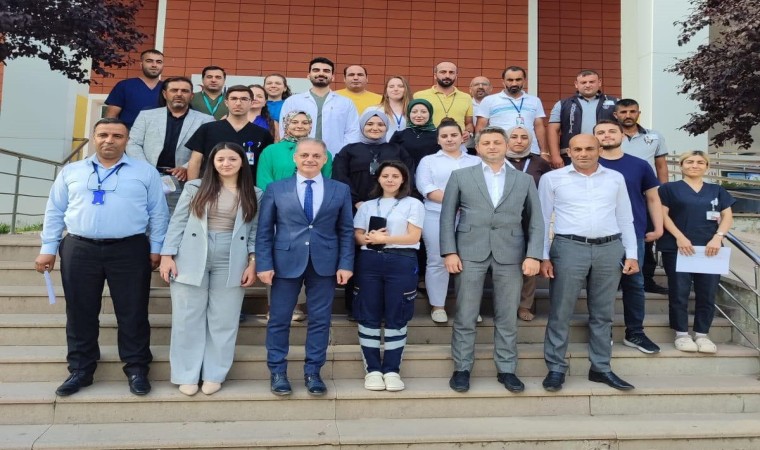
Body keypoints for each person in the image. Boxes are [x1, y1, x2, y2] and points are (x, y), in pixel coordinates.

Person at [35, 118, 169, 397]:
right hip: (79, 249)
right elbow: (55, 210)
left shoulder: (145, 172)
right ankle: (81, 370)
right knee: (80, 312)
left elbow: (158, 212)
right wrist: (48, 247)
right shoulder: (71, 171)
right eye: (103, 134)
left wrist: (156, 247)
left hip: (129, 249)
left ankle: (136, 368)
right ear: (94, 137)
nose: (110, 140)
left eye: (117, 136)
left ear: (126, 140)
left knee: (133, 311)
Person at [440, 126, 544, 393]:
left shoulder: (524, 180)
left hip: (511, 253)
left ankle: (507, 369)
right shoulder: (461, 176)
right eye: (486, 143)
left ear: (506, 145)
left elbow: (535, 220)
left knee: (507, 315)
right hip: (469, 252)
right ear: (477, 147)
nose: (492, 147)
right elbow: (447, 216)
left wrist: (534, 254)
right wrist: (449, 251)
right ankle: (462, 368)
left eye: (497, 142)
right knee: (465, 314)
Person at [159, 142, 262, 396]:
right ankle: (186, 374)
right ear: (212, 163)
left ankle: (214, 373)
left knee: (224, 319)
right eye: (220, 159)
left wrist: (252, 262)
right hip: (191, 253)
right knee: (187, 317)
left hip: (232, 256)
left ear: (242, 162)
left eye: (232, 159)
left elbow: (255, 232)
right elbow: (178, 221)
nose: (226, 164)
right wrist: (167, 255)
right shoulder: (195, 187)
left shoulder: (254, 193)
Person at [539, 133, 638, 392]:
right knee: (561, 311)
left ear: (599, 150)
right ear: (569, 152)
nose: (583, 154)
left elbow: (625, 217)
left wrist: (632, 253)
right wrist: (544, 256)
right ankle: (556, 368)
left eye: (589, 149)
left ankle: (601, 368)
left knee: (603, 314)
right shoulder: (552, 179)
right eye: (578, 149)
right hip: (568, 248)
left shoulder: (615, 178)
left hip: (610, 248)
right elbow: (542, 219)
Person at [256, 138, 354, 397]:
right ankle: (278, 372)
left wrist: (346, 263)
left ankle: (313, 372)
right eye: (305, 155)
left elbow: (345, 230)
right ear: (295, 158)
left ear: (325, 159)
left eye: (316, 156)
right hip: (284, 263)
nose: (310, 160)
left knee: (320, 320)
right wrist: (264, 263)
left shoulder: (340, 189)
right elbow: (264, 230)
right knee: (279, 319)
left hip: (325, 263)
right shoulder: (276, 189)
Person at [353, 161, 425, 391]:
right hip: (369, 261)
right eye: (385, 175)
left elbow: (414, 237)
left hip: (401, 260)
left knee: (397, 313)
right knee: (368, 314)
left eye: (395, 176)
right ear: (378, 178)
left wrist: (385, 239)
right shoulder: (367, 206)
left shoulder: (413, 203)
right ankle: (373, 370)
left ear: (403, 179)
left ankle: (392, 370)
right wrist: (368, 238)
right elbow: (357, 234)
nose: (390, 180)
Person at [595, 120, 664, 354]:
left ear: (622, 135)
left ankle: (635, 332)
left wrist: (658, 228)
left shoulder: (640, 165)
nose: (606, 135)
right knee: (600, 286)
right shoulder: (589, 164)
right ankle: (602, 332)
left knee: (634, 284)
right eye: (601, 132)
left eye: (611, 131)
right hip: (599, 235)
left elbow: (653, 198)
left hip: (633, 234)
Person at [257, 110, 330, 321]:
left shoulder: (323, 152)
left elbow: (326, 182)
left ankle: (297, 306)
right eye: (294, 122)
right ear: (286, 124)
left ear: (311, 126)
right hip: (279, 212)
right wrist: (279, 205)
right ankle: (274, 306)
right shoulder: (271, 151)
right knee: (279, 257)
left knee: (305, 255)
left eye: (305, 122)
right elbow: (264, 180)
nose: (299, 125)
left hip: (311, 215)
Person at [658, 151, 734, 354]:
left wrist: (718, 237)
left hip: (710, 249)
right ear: (681, 165)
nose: (695, 165)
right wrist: (679, 236)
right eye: (690, 161)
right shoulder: (669, 189)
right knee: (679, 292)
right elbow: (663, 215)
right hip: (678, 248)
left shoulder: (717, 190)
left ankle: (702, 334)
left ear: (707, 167)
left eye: (700, 162)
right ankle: (681, 334)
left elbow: (727, 216)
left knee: (707, 293)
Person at [415, 119, 480, 322]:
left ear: (462, 137)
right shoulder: (428, 161)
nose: (449, 139)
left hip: (470, 217)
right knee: (437, 260)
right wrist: (456, 201)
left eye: (453, 135)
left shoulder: (475, 161)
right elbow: (426, 188)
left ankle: (469, 309)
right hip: (436, 214)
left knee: (470, 262)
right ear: (438, 140)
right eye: (444, 136)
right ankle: (438, 306)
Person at [126, 76, 214, 211]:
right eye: (174, 90)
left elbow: (209, 150)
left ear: (191, 96)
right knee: (144, 217)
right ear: (164, 94)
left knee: (177, 220)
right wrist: (147, 169)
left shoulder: (206, 120)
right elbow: (133, 144)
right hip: (148, 177)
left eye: (184, 91)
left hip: (183, 180)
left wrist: (187, 167)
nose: (179, 94)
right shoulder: (146, 116)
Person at [615, 98, 671, 294]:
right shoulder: (611, 136)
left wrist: (664, 194)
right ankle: (616, 280)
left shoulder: (654, 136)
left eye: (632, 111)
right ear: (616, 115)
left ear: (639, 113)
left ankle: (647, 279)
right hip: (615, 195)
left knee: (646, 239)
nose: (628, 115)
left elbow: (661, 166)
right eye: (623, 112)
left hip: (645, 194)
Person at [501, 125, 552, 322]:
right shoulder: (497, 160)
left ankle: (524, 305)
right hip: (504, 218)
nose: (519, 141)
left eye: (524, 137)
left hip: (531, 217)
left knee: (529, 260)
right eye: (514, 136)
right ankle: (505, 304)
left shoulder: (540, 163)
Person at [186, 85, 274, 184]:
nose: (238, 103)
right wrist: (192, 188)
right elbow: (195, 161)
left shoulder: (262, 134)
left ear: (251, 102)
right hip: (211, 188)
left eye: (244, 99)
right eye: (233, 99)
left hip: (247, 188)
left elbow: (267, 166)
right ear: (226, 102)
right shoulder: (207, 129)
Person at [332, 110, 415, 209]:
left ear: (386, 127)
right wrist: (355, 201)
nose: (375, 128)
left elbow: (408, 176)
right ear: (362, 126)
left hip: (392, 206)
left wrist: (396, 199)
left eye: (380, 124)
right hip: (355, 207)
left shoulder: (397, 150)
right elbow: (340, 177)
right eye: (370, 124)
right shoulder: (349, 150)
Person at [279, 57, 361, 156]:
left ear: (333, 77)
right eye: (316, 70)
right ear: (308, 75)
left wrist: (343, 155)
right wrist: (292, 153)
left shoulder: (346, 103)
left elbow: (353, 132)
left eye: (326, 71)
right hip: (299, 156)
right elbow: (285, 129)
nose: (321, 73)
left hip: (336, 156)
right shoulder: (293, 101)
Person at [546, 69, 618, 168]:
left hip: (606, 153)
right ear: (576, 84)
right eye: (583, 82)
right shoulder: (562, 104)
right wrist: (555, 155)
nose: (587, 85)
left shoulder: (616, 103)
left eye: (591, 82)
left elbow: (623, 129)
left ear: (599, 82)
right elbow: (552, 130)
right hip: (571, 155)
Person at [476, 66, 548, 158]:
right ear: (503, 81)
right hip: (500, 151)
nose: (514, 83)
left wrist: (544, 152)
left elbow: (539, 127)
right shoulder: (489, 100)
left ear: (524, 81)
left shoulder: (535, 101)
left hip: (531, 151)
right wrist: (479, 151)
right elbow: (480, 127)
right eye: (510, 80)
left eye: (518, 80)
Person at [413, 61, 475, 140]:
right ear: (435, 76)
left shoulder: (466, 97)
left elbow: (469, 123)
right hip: (427, 142)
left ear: (456, 76)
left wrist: (468, 132)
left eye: (451, 72)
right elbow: (412, 122)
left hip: (457, 143)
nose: (447, 76)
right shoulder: (419, 96)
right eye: (443, 72)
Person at [104, 49, 164, 128]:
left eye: (159, 62)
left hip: (159, 135)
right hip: (128, 134)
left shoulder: (168, 88)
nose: (154, 65)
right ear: (141, 64)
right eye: (149, 61)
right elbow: (110, 117)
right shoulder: (124, 86)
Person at [389, 99, 439, 169]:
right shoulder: (399, 135)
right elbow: (390, 158)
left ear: (430, 114)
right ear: (409, 114)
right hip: (405, 173)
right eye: (414, 112)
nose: (419, 115)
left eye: (423, 112)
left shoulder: (439, 136)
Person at [367, 76, 411, 140]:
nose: (396, 89)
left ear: (406, 90)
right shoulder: (373, 110)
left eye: (400, 86)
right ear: (386, 92)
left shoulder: (413, 111)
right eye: (391, 86)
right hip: (382, 146)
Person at [466, 76, 492, 152]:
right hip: (468, 147)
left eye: (484, 84)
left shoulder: (497, 105)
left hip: (491, 146)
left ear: (491, 88)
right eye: (476, 84)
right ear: (470, 89)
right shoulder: (465, 105)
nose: (480, 87)